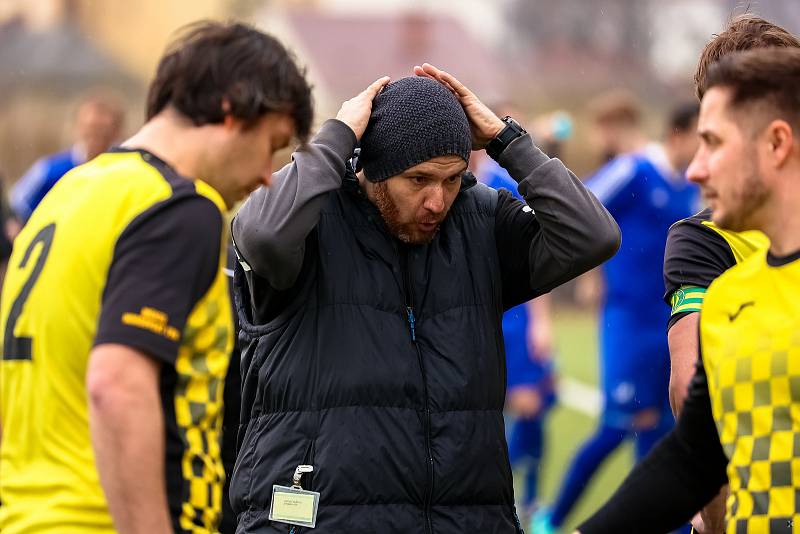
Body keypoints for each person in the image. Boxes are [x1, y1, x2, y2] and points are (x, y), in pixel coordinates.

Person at [229, 63, 619, 532]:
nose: (438, 200)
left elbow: (592, 235)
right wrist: (335, 138)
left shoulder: (481, 222)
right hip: (321, 521)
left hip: (468, 519)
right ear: (371, 168)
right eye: (418, 180)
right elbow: (262, 235)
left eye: (452, 178)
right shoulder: (308, 224)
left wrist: (506, 140)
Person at [0, 20, 312, 534]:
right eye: (271, 143)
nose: (265, 176)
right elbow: (117, 383)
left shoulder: (70, 194)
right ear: (232, 108)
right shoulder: (179, 208)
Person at [577, 45, 800, 534]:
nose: (697, 169)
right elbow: (693, 453)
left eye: (714, 143)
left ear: (777, 143)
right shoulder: (736, 293)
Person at [534, 96, 699, 534]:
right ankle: (554, 517)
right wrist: (590, 272)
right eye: (702, 140)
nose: (706, 154)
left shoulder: (691, 186)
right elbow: (581, 206)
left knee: (667, 429)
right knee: (619, 426)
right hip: (628, 323)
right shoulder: (636, 170)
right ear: (679, 134)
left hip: (674, 323)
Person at [662, 16, 799, 532]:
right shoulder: (707, 240)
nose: (699, 167)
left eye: (714, 141)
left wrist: (715, 518)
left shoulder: (702, 238)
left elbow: (689, 385)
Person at [476, 112, 561, 518]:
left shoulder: (507, 182)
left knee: (532, 407)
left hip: (517, 315)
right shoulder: (458, 182)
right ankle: (501, 495)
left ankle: (527, 497)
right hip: (483, 315)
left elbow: (533, 254)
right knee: (489, 408)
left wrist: (541, 320)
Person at [9, 91, 126, 223]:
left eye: (102, 129)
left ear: (118, 132)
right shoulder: (50, 170)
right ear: (77, 128)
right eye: (90, 129)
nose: (95, 137)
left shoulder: (125, 172)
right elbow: (17, 206)